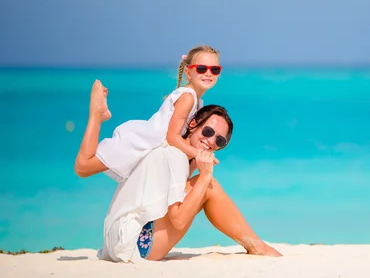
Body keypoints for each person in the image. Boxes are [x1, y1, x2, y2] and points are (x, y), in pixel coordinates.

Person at [78, 81, 282, 261]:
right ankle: (258, 247)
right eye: (208, 132)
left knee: (203, 186)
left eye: (219, 140)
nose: (211, 142)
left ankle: (258, 246)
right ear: (193, 124)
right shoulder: (176, 156)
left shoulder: (175, 153)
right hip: (136, 247)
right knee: (209, 187)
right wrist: (205, 176)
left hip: (120, 241)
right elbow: (178, 219)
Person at [74, 45, 223, 182]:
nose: (208, 73)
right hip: (142, 143)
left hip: (153, 147)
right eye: (202, 68)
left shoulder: (198, 101)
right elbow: (172, 137)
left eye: (215, 69)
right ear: (188, 72)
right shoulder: (188, 97)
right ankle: (96, 114)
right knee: (83, 167)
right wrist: (198, 153)